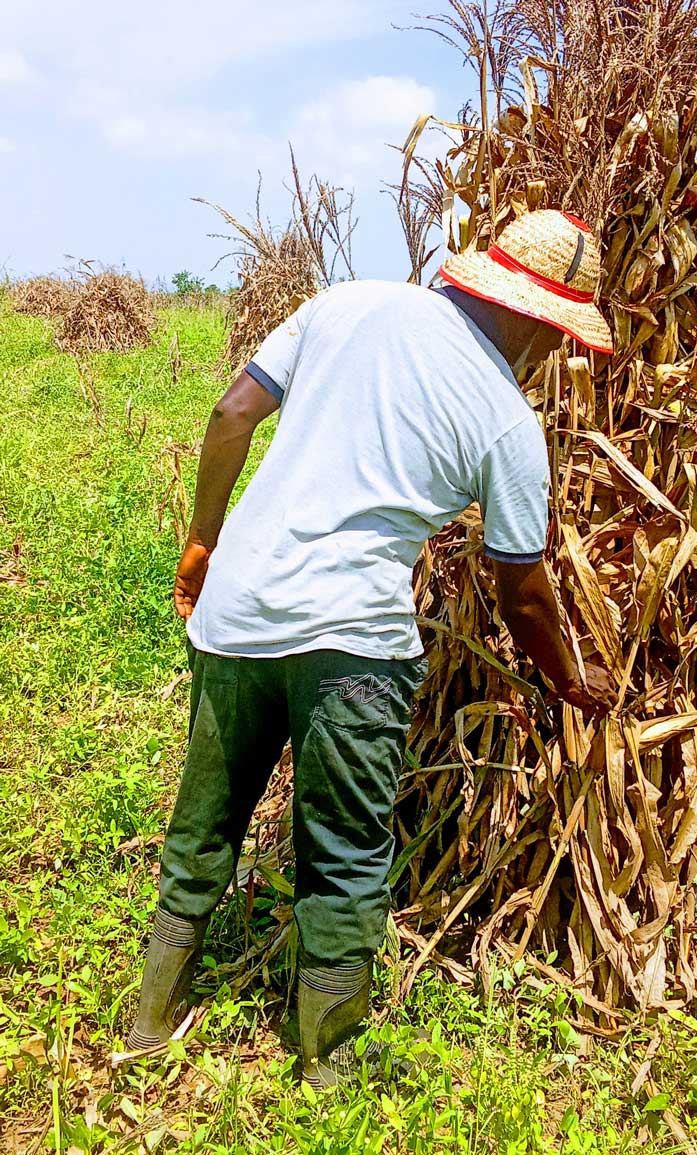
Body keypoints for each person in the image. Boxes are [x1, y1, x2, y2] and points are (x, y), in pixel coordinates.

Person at [126, 208, 617, 1086]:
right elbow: (524, 591)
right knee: (345, 853)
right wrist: (573, 680)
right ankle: (326, 1065)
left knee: (204, 823)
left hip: (235, 616)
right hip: (352, 646)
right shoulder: (509, 424)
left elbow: (233, 410)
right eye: (557, 339)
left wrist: (203, 539)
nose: (553, 357)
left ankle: (151, 1019)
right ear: (540, 320)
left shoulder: (346, 303)